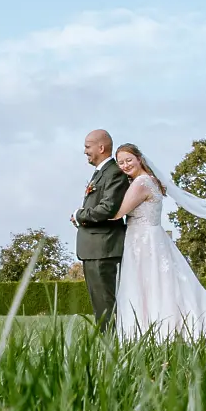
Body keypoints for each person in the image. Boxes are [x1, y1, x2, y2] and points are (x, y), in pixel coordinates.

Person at [109, 143, 206, 345]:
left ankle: (155, 330)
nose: (125, 165)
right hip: (149, 238)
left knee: (150, 284)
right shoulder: (150, 180)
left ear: (139, 159)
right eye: (121, 162)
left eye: (128, 160)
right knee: (157, 284)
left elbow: (118, 213)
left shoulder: (141, 182)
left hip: (144, 241)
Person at [71, 129, 130, 331]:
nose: (85, 151)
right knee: (99, 305)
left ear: (101, 147)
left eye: (88, 146)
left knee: (106, 303)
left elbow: (107, 208)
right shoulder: (101, 173)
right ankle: (106, 344)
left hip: (103, 248)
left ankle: (110, 345)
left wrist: (80, 215)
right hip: (94, 249)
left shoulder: (114, 173)